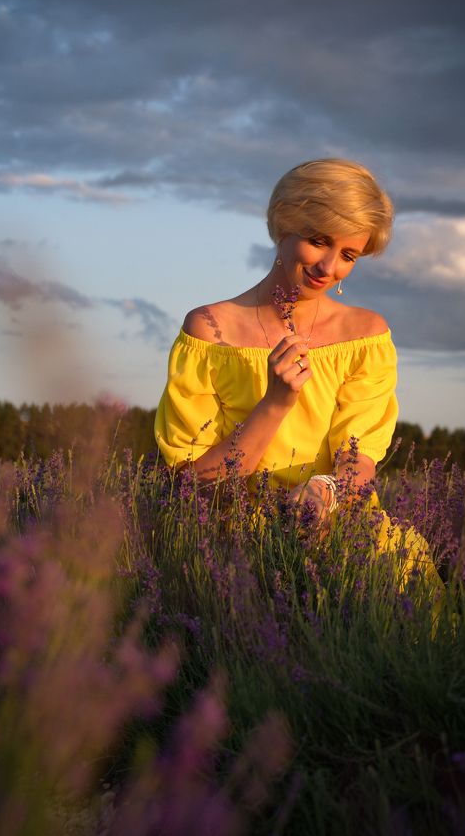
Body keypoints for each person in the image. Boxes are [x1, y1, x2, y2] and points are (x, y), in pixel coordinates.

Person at [154, 157, 437, 583]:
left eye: (348, 255)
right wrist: (275, 402)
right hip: (236, 555)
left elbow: (358, 458)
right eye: (318, 240)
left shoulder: (366, 336)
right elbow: (193, 484)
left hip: (351, 540)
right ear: (284, 223)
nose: (329, 267)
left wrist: (326, 492)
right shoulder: (209, 332)